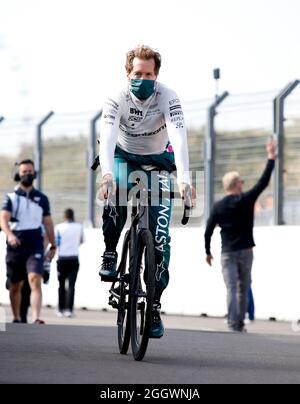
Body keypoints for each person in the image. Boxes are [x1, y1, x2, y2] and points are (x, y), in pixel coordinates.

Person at [98, 45, 194, 338]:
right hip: (123, 156)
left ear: (157, 75)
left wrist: (185, 178)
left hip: (157, 162)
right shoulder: (116, 99)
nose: (143, 78)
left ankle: (153, 305)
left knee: (161, 239)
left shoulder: (168, 96)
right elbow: (107, 138)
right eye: (138, 73)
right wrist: (106, 175)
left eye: (149, 74)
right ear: (128, 74)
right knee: (116, 194)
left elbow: (178, 135)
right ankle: (111, 251)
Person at [204, 140, 276, 332]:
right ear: (236, 184)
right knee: (243, 288)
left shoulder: (218, 206)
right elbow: (263, 182)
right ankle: (239, 323)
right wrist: (271, 158)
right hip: (246, 251)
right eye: (242, 182)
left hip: (227, 253)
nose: (243, 185)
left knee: (231, 288)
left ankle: (232, 322)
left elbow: (208, 229)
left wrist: (207, 251)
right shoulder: (246, 200)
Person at [0, 159, 56, 324]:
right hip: (15, 245)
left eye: (30, 171)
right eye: (24, 171)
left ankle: (36, 317)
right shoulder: (10, 198)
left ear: (35, 174)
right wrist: (10, 235)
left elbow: (48, 223)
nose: (28, 174)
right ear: (18, 174)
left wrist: (53, 244)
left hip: (35, 245)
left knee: (35, 279)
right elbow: (3, 219)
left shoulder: (42, 198)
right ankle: (17, 317)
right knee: (15, 284)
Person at [55, 208, 84, 317]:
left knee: (61, 285)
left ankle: (60, 309)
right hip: (74, 258)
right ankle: (69, 310)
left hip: (62, 258)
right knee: (72, 285)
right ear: (73, 216)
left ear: (64, 216)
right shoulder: (79, 227)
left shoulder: (58, 227)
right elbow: (81, 241)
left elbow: (56, 242)